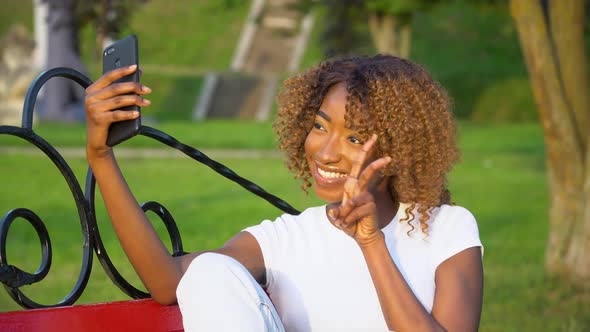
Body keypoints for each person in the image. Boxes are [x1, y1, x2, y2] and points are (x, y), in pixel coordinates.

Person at [84, 55, 483, 332]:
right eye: (321, 126)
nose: (326, 151)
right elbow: (168, 281)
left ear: (399, 149)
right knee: (211, 271)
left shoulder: (447, 229)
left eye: (355, 137)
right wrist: (100, 156)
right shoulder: (287, 239)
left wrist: (371, 242)